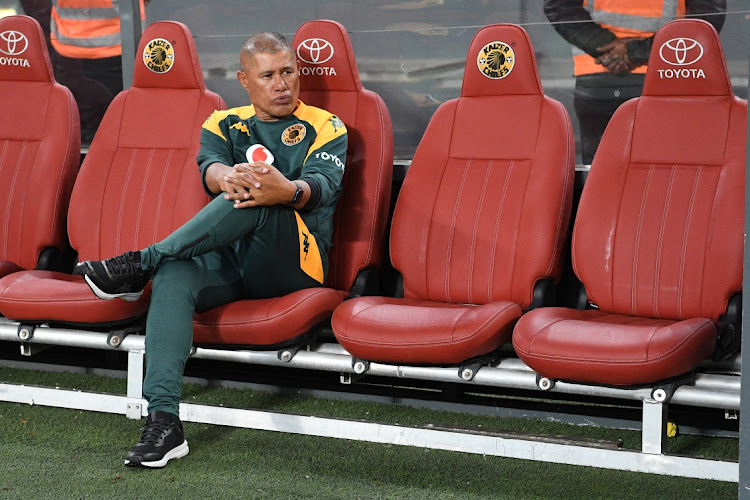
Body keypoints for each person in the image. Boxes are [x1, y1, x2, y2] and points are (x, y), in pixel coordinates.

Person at [73, 31, 348, 468]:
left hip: (295, 260)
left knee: (258, 196)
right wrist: (226, 179)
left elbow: (320, 188)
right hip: (232, 263)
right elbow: (211, 168)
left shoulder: (326, 124)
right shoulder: (222, 121)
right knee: (174, 275)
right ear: (244, 79)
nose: (281, 84)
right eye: (268, 75)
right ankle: (164, 421)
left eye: (288, 72)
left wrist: (287, 190)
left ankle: (139, 262)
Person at [544, 0, 726, 164]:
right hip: (664, 75)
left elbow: (559, 7)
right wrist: (635, 51)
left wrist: (609, 47)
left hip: (599, 74)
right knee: (661, 173)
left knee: (601, 175)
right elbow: (707, 15)